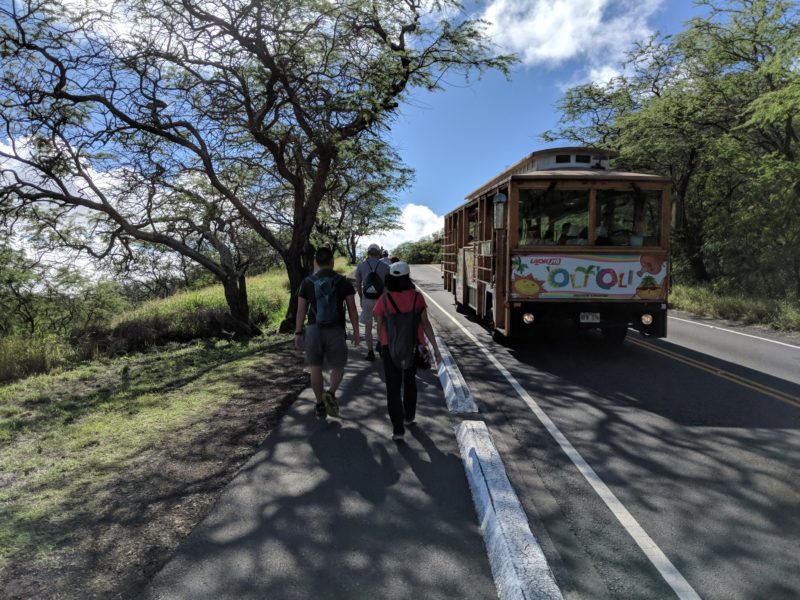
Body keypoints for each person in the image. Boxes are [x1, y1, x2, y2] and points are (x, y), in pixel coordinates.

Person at [373, 262, 442, 442]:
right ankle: (409, 417)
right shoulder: (417, 298)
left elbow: (379, 324)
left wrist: (381, 343)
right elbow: (425, 323)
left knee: (393, 388)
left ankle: (398, 430)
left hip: (390, 348)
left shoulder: (384, 299)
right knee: (410, 381)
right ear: (407, 276)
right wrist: (435, 348)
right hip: (413, 346)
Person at [295, 247, 361, 418]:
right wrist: (356, 331)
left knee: (315, 367)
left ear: (315, 262)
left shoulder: (307, 282)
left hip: (313, 330)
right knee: (338, 366)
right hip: (336, 330)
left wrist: (298, 333)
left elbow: (300, 311)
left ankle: (319, 405)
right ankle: (331, 393)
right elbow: (353, 310)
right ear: (332, 261)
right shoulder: (342, 281)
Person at [355, 243, 390, 361]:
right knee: (381, 324)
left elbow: (358, 284)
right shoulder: (385, 266)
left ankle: (370, 353)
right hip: (382, 300)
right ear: (378, 253)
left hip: (367, 299)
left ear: (368, 253)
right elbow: (388, 285)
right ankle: (381, 345)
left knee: (368, 327)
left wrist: (361, 296)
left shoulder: (361, 266)